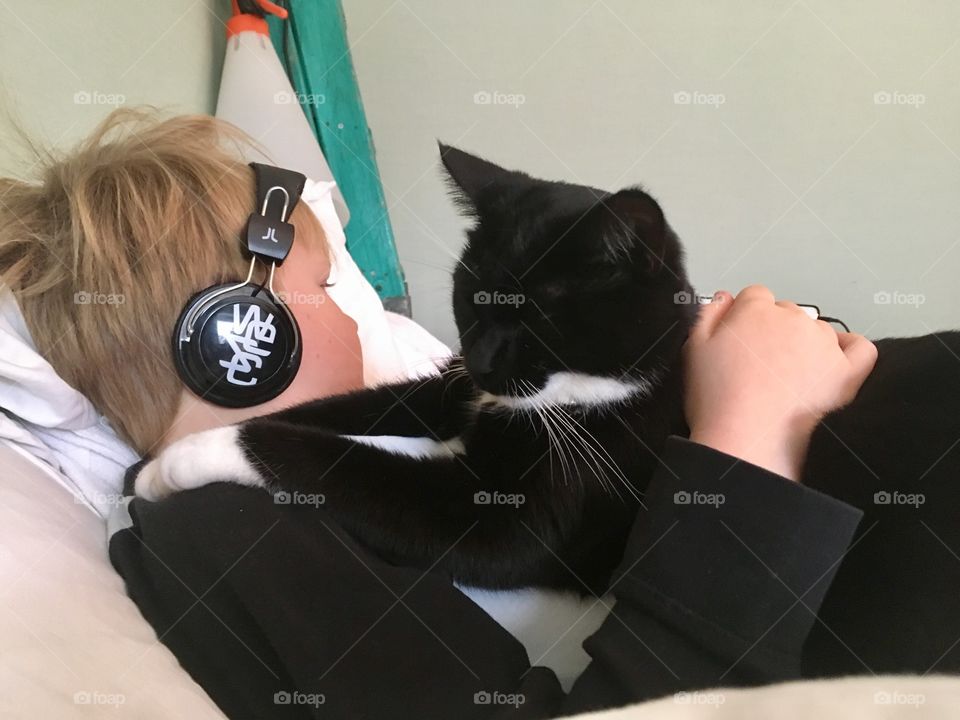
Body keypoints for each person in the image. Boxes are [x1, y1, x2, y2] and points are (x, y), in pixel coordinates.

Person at [0, 110, 876, 719]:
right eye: (327, 287)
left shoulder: (308, 462)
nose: (357, 311)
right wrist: (756, 436)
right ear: (244, 336)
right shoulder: (224, 524)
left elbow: (442, 409)